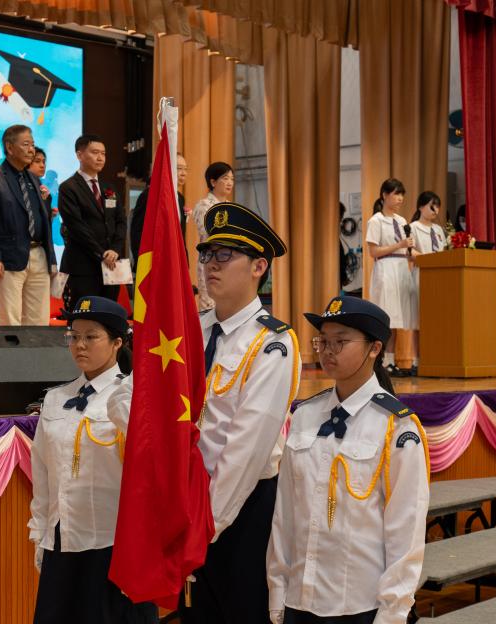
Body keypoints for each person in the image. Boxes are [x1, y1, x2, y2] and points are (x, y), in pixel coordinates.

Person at [267, 295, 429, 624]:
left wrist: (392, 613)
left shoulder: (396, 427)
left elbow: (405, 531)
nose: (327, 351)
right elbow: (285, 516)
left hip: (358, 606)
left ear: (374, 348)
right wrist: (277, 591)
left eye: (340, 342)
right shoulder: (305, 416)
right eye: (323, 341)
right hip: (299, 599)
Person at [181, 202, 300, 623]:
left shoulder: (272, 343)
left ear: (258, 267)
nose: (211, 264)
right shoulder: (190, 330)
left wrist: (206, 526)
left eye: (225, 254)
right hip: (188, 503)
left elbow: (246, 449)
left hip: (241, 508)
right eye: (206, 254)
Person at [28, 296, 157, 624]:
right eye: (73, 336)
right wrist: (40, 532)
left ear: (117, 342)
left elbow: (152, 465)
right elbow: (42, 472)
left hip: (113, 544)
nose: (80, 345)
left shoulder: (132, 396)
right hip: (62, 540)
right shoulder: (56, 398)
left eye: (91, 336)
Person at [0, 125, 58, 325]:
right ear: (10, 147)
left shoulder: (34, 179)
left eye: (33, 145)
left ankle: (36, 350)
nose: (31, 150)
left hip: (39, 255)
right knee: (9, 320)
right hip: (9, 257)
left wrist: (51, 259)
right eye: (26, 144)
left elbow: (41, 220)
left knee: (39, 321)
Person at [58, 134, 126, 306]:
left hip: (112, 264)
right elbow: (76, 227)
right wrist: (101, 253)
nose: (100, 158)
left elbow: (120, 221)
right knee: (85, 313)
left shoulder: (109, 188)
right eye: (95, 152)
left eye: (103, 153)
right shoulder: (68, 187)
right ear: (79, 155)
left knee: (108, 312)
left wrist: (115, 249)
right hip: (83, 265)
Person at [365, 178, 414, 377]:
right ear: (385, 195)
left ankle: (392, 361)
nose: (400, 198)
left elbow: (408, 249)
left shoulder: (402, 221)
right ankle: (382, 361)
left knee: (397, 319)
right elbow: (373, 251)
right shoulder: (375, 220)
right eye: (396, 194)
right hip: (385, 269)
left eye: (402, 194)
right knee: (386, 318)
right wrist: (398, 245)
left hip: (402, 268)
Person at [407, 191, 446, 375]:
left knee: (437, 320)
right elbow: (410, 253)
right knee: (419, 321)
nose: (435, 210)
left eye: (437, 206)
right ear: (421, 207)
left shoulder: (438, 230)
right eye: (431, 205)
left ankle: (436, 358)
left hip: (440, 277)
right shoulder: (413, 227)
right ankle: (417, 360)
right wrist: (428, 259)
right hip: (421, 275)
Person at [191, 162, 234, 311]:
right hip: (211, 260)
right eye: (225, 178)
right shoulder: (203, 205)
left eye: (232, 179)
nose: (230, 183)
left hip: (230, 261)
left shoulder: (232, 207)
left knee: (228, 307)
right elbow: (209, 234)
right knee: (210, 307)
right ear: (213, 182)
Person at [129, 153, 188, 260]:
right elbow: (137, 232)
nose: (183, 173)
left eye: (185, 169)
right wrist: (141, 261)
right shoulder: (149, 195)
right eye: (179, 168)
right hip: (154, 259)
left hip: (175, 259)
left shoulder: (180, 198)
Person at [30, 146, 56, 215]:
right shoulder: (21, 186)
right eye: (37, 161)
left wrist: (50, 214)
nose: (42, 165)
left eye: (44, 162)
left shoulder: (43, 189)